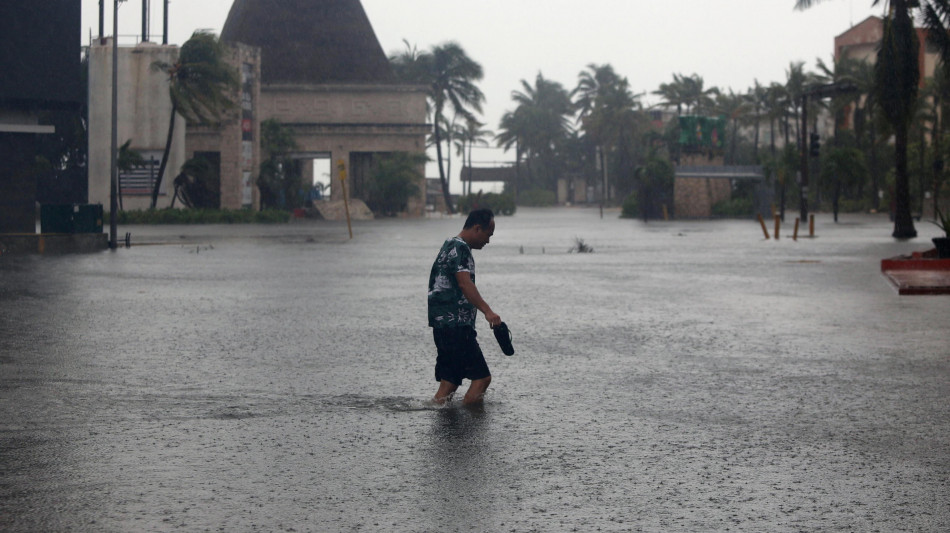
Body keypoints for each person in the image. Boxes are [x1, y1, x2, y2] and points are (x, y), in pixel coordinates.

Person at [427, 208, 501, 405]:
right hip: (456, 327)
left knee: (449, 382)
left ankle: (444, 424)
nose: (488, 241)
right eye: (488, 235)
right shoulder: (461, 249)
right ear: (477, 228)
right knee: (482, 379)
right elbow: (464, 283)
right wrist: (488, 311)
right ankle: (469, 430)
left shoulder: (448, 245)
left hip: (442, 326)